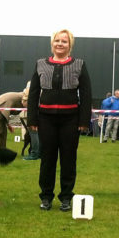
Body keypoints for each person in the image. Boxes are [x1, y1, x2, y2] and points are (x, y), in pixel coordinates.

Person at [27, 29, 92, 212]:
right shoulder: (40, 64)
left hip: (71, 120)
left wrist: (84, 121)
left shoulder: (79, 64)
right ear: (52, 43)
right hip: (45, 119)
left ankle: (66, 198)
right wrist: (32, 118)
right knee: (47, 159)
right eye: (57, 40)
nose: (60, 44)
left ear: (70, 45)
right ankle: (46, 197)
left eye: (64, 41)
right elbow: (33, 94)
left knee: (68, 159)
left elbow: (86, 94)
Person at [21, 82, 41, 161]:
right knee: (40, 134)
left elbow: (25, 103)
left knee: (33, 132)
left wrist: (25, 93)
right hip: (43, 111)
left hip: (34, 112)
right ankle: (40, 153)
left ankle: (34, 154)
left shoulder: (30, 84)